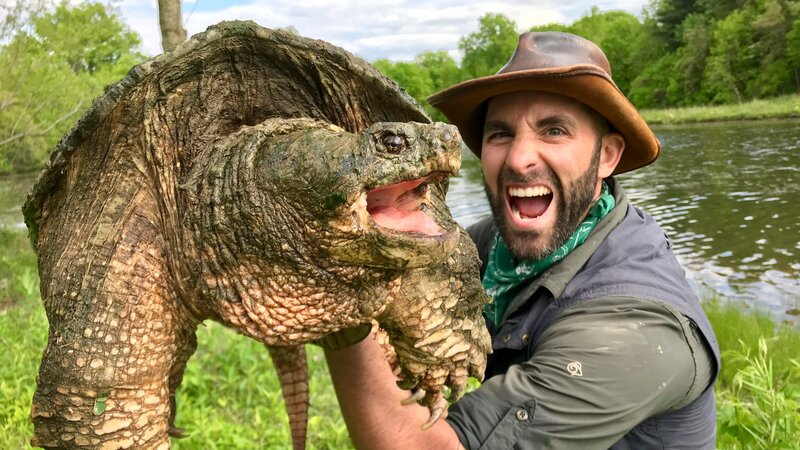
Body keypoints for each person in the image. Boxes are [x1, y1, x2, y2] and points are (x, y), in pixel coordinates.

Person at [321, 31, 720, 449]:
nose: (518, 158)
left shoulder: (633, 332)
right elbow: (409, 269)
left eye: (554, 130)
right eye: (500, 134)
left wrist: (341, 314)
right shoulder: (499, 245)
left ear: (607, 156)